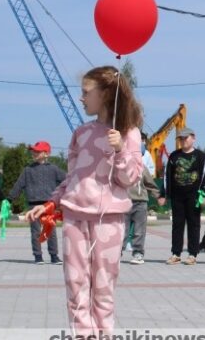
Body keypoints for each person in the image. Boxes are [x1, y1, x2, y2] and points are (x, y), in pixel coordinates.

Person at [25, 65, 143, 335]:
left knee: (103, 291)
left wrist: (120, 149)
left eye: (86, 92)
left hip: (109, 222)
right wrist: (51, 203)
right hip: (75, 219)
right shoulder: (81, 133)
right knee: (76, 289)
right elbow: (72, 179)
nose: (81, 98)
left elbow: (130, 179)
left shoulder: (128, 132)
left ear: (105, 94)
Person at [9, 141, 66, 264]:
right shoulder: (27, 170)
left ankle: (54, 256)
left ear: (46, 154)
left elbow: (67, 180)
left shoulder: (53, 169)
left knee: (50, 230)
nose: (34, 153)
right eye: (33, 151)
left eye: (37, 151)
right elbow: (19, 185)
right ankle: (38, 256)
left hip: (48, 205)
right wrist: (9, 199)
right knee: (35, 231)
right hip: (33, 204)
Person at [159, 127, 205, 266]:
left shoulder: (201, 156)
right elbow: (167, 176)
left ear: (193, 138)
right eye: (180, 138)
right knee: (177, 225)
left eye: (185, 138)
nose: (183, 141)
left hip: (194, 196)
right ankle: (176, 253)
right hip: (177, 197)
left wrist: (204, 193)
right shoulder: (174, 156)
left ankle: (192, 254)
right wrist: (164, 194)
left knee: (194, 225)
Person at [123, 167, 159, 265]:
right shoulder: (120, 165)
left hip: (140, 202)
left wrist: (158, 196)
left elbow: (150, 184)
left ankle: (138, 254)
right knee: (122, 230)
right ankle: (117, 253)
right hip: (123, 201)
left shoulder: (142, 167)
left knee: (139, 231)